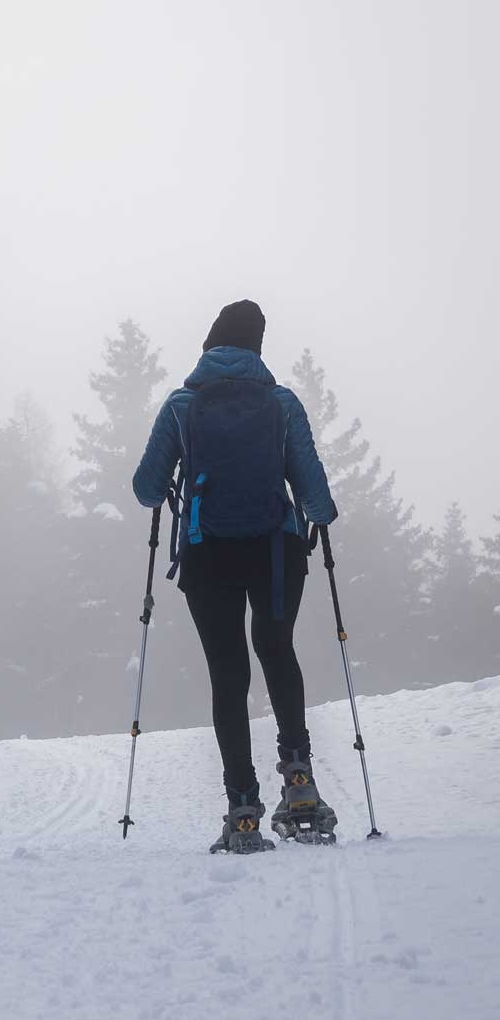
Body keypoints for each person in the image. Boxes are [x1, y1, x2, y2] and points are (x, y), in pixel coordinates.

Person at [132, 300, 338, 853]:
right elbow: (315, 496)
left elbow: (147, 488)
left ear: (209, 346)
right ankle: (299, 787)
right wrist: (316, 516)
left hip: (208, 553)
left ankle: (242, 807)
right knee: (276, 648)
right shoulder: (281, 402)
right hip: (276, 550)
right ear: (257, 348)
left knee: (228, 670)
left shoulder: (183, 404)